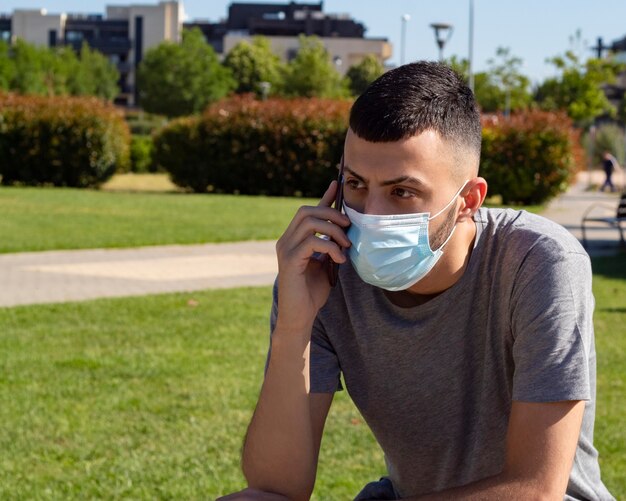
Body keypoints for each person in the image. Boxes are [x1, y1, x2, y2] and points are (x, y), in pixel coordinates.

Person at [219, 62, 613, 500]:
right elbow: (275, 486)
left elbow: (534, 489)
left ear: (468, 200)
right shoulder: (322, 270)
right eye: (354, 183)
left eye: (401, 192)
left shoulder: (539, 262)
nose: (372, 214)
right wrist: (294, 329)